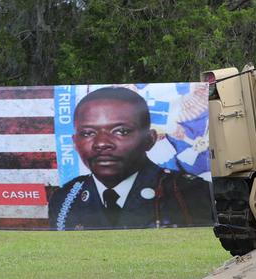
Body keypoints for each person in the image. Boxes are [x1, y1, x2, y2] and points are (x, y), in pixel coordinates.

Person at [48, 87, 213, 230]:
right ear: (75, 142)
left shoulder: (192, 193)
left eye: (121, 131)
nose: (102, 143)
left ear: (150, 139)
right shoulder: (64, 199)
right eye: (88, 133)